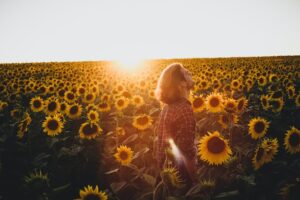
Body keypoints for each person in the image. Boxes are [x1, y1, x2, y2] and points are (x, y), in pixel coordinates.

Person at [153, 63, 198, 191]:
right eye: (185, 73)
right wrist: (197, 183)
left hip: (167, 175)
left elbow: (161, 143)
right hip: (181, 179)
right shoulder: (185, 109)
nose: (189, 72)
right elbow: (187, 152)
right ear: (181, 84)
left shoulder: (166, 108)